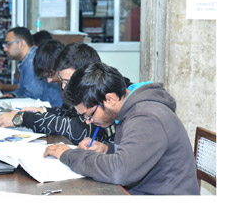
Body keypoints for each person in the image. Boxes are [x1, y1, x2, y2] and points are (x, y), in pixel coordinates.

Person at [44, 63, 199, 195]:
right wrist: (107, 149)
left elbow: (120, 171)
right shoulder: (133, 109)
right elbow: (137, 153)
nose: (89, 122)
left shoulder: (147, 117)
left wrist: (69, 155)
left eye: (89, 115)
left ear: (110, 99)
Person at [0, 43, 114, 146]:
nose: (63, 86)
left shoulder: (104, 92)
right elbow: (71, 114)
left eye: (67, 81)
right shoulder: (86, 92)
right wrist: (43, 111)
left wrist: (24, 119)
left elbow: (78, 129)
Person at [0, 27, 58, 103]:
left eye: (8, 44)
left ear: (21, 44)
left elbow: (32, 98)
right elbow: (22, 89)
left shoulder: (32, 62)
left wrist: (11, 101)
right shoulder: (26, 61)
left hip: (47, 110)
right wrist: (13, 95)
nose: (5, 49)